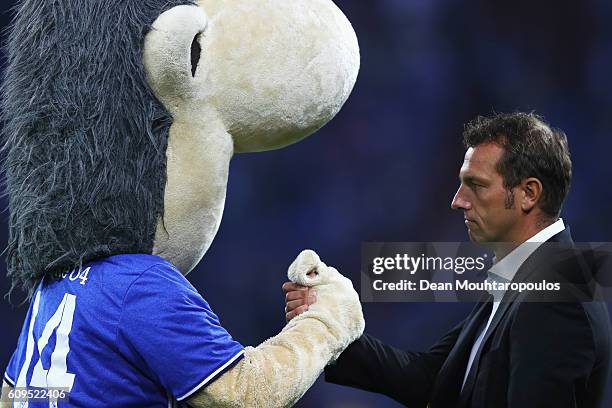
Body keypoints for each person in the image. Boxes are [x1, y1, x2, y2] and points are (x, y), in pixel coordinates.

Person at [283, 112, 612, 408]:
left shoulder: (558, 297)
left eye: (476, 185)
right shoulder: (526, 277)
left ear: (529, 193)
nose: (458, 201)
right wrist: (331, 329)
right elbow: (435, 377)